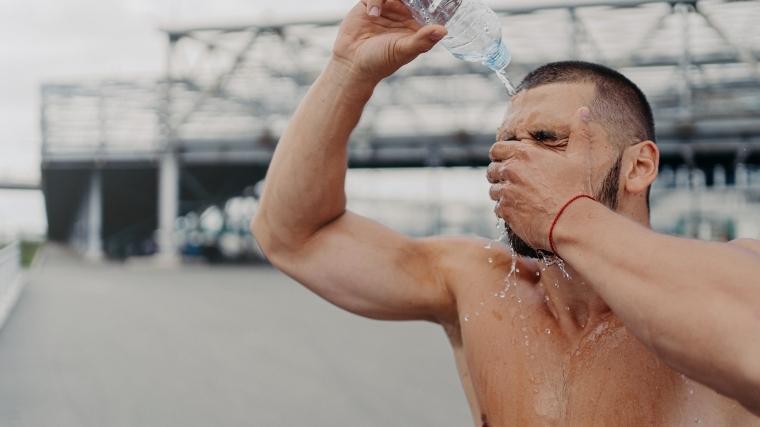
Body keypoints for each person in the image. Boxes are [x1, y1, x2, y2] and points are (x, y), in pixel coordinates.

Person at [251, 0, 760, 424]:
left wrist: (565, 218)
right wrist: (348, 70)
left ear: (638, 167)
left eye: (546, 140)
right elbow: (294, 235)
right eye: (505, 144)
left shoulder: (728, 281)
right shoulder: (480, 286)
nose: (510, 161)